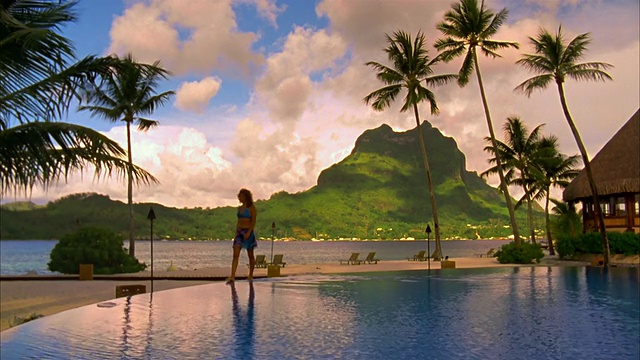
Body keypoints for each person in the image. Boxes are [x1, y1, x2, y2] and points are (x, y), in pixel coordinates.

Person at [226, 188, 257, 284]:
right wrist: (236, 232)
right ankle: (232, 276)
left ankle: (250, 275)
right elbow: (238, 222)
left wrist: (249, 232)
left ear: (246, 197)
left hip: (248, 231)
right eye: (239, 196)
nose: (239, 197)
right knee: (235, 254)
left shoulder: (252, 208)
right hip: (239, 232)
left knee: (250, 255)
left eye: (241, 196)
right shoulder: (239, 209)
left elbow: (253, 221)